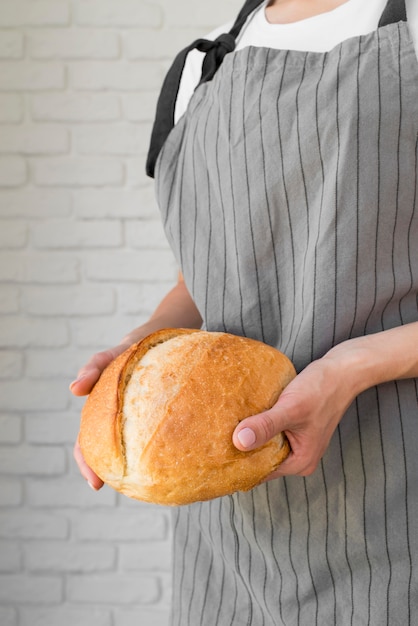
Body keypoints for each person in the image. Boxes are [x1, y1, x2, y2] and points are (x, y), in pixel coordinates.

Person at [71, 0, 418, 623]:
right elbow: (203, 277)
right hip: (226, 545)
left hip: (393, 516)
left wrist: (351, 367)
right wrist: (145, 341)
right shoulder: (196, 76)